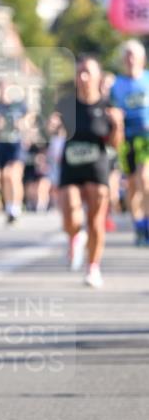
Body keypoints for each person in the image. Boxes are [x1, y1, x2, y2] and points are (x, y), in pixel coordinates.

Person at [54, 55, 123, 286]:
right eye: (79, 73)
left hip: (97, 166)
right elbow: (53, 128)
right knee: (71, 217)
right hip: (71, 166)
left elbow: (115, 144)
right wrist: (53, 125)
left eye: (88, 73)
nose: (83, 77)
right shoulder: (67, 104)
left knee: (96, 221)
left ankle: (93, 267)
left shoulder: (107, 107)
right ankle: (75, 236)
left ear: (98, 77)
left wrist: (118, 124)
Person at [109, 39, 149, 245]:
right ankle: (139, 225)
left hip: (146, 136)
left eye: (134, 55)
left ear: (142, 58)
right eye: (127, 56)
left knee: (145, 179)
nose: (130, 59)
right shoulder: (116, 84)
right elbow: (110, 109)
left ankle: (148, 223)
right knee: (131, 184)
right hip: (126, 137)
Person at [0, 78, 29, 223]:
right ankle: (9, 207)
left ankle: (16, 207)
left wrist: (19, 124)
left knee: (13, 175)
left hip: (16, 144)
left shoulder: (19, 106)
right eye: (1, 88)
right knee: (5, 176)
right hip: (1, 144)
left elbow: (28, 122)